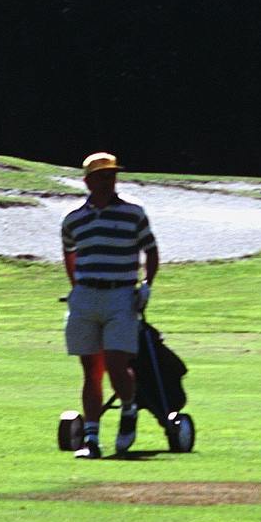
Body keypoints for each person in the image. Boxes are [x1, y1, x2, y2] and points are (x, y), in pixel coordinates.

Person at [61, 151, 159, 459]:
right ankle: (91, 439)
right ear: (88, 181)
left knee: (117, 364)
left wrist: (146, 286)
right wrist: (77, 287)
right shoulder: (74, 219)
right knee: (91, 370)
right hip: (86, 296)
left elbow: (151, 252)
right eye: (103, 176)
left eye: (112, 175)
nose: (110, 180)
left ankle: (128, 410)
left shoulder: (133, 213)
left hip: (121, 295)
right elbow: (70, 254)